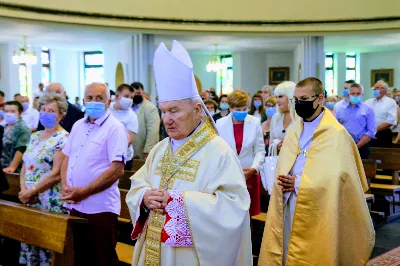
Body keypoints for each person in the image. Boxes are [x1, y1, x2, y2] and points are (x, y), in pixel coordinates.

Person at [126, 40, 252, 266]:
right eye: (163, 111)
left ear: (197, 111)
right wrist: (144, 197)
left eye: (174, 110)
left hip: (188, 255)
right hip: (154, 247)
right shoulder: (160, 148)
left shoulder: (218, 151)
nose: (167, 119)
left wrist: (178, 203)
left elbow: (235, 206)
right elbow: (138, 183)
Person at [258, 77, 375, 266]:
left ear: (320, 98)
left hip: (320, 205)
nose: (299, 104)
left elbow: (338, 178)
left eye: (304, 99)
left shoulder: (336, 133)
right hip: (288, 201)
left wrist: (298, 183)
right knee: (287, 248)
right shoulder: (295, 130)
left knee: (316, 251)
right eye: (296, 100)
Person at [61, 82, 128, 266]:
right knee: (80, 258)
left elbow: (116, 170)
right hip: (76, 205)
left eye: (100, 98)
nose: (94, 101)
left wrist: (85, 191)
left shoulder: (115, 128)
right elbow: (67, 158)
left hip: (100, 208)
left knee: (103, 259)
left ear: (108, 102)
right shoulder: (77, 126)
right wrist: (65, 187)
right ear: (83, 100)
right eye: (90, 98)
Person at [18, 93, 69, 265]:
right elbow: (25, 165)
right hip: (29, 198)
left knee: (47, 245)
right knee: (31, 240)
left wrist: (32, 191)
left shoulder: (64, 138)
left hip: (49, 198)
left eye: (51, 110)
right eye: (43, 109)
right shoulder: (34, 136)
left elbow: (55, 173)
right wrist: (24, 190)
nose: (46, 113)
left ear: (61, 115)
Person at [217, 89, 265, 217]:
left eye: (245, 109)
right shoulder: (220, 124)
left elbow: (260, 150)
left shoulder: (254, 122)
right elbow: (218, 151)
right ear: (231, 108)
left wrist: (254, 168)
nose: (242, 112)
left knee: (249, 214)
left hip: (249, 173)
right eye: (238, 109)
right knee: (231, 213)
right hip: (228, 173)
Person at [336, 83, 376, 159]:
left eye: (358, 93)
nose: (355, 95)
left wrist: (356, 147)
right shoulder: (340, 108)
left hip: (361, 146)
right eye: (353, 93)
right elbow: (336, 127)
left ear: (362, 94)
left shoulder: (368, 109)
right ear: (348, 94)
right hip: (343, 145)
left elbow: (371, 132)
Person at [109, 84, 139, 170]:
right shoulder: (107, 109)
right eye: (126, 96)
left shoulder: (132, 116)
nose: (129, 99)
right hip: (104, 157)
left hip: (123, 158)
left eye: (131, 97)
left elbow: (129, 141)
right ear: (117, 96)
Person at [131, 82, 160, 159]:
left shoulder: (150, 108)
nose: (137, 95)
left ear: (143, 92)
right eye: (135, 93)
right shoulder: (128, 107)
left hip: (142, 151)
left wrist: (148, 151)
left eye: (139, 93)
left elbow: (153, 131)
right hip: (130, 151)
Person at [365, 80, 397, 147]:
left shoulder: (390, 102)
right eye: (374, 88)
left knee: (383, 155)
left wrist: (374, 130)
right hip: (367, 133)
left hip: (383, 133)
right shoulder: (368, 102)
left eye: (377, 87)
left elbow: (391, 120)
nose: (374, 89)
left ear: (384, 90)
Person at [1, 101, 31, 173]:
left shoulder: (22, 128)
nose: (9, 114)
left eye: (12, 111)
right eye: (6, 111)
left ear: (20, 113)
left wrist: (12, 167)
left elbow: (21, 149)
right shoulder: (4, 126)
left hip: (12, 169)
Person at [270, 81, 296, 151]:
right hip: (279, 160)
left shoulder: (301, 117)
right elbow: (271, 143)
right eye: (276, 97)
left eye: (280, 96)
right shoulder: (275, 117)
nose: (277, 100)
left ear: (291, 96)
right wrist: (276, 147)